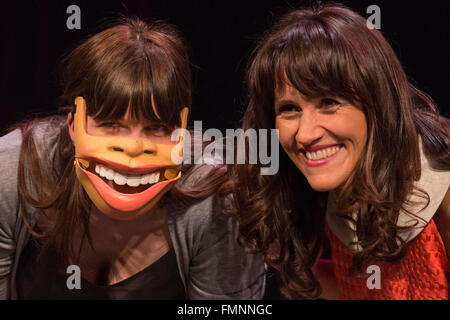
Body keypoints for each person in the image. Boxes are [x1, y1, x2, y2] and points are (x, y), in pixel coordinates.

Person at [0, 18, 265, 300]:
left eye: (156, 128)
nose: (133, 148)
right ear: (73, 126)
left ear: (181, 134)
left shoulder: (218, 194)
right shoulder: (14, 169)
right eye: (111, 124)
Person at [231, 3, 449, 300]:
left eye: (329, 103)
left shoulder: (443, 192)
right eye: (289, 109)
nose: (305, 134)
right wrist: (291, 262)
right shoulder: (336, 188)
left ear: (377, 102)